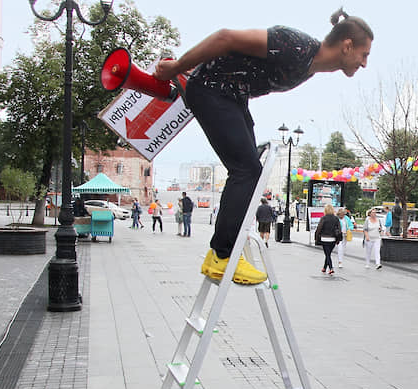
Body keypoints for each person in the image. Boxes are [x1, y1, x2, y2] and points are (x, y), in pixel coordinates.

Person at [153, 9, 373, 285]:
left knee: (250, 172)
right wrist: (175, 68)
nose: (365, 63)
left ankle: (217, 255)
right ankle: (223, 255)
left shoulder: (309, 65)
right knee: (246, 171)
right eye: (364, 55)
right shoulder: (296, 47)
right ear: (347, 45)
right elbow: (225, 37)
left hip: (230, 97)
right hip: (213, 92)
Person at [313, 204, 342, 275]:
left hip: (324, 238)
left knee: (327, 254)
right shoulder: (336, 218)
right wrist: (338, 239)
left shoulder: (323, 218)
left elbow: (319, 228)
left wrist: (316, 238)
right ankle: (324, 267)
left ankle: (331, 268)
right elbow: (339, 229)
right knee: (328, 254)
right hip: (333, 239)